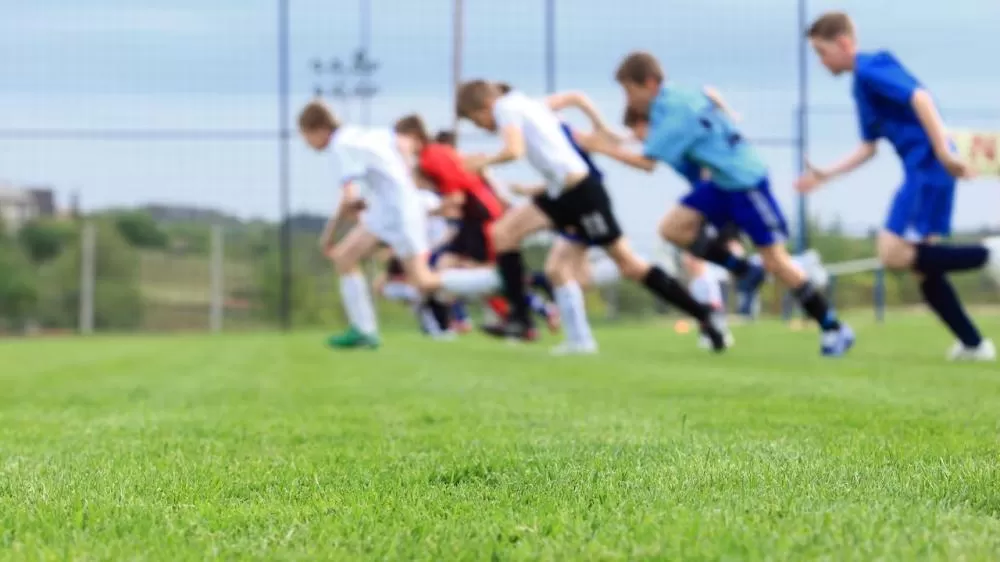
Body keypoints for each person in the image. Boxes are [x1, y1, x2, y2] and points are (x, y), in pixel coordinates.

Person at [601, 52, 854, 356]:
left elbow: (645, 162)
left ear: (650, 83)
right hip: (720, 183)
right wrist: (726, 113)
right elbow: (709, 93)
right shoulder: (680, 97)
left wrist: (596, 146)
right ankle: (746, 270)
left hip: (745, 182)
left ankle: (833, 327)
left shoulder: (674, 110)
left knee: (777, 261)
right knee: (673, 229)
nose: (629, 99)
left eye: (630, 91)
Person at [454, 80, 730, 352]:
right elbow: (576, 95)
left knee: (629, 265)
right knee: (508, 237)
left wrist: (482, 162)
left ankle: (705, 313)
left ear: (484, 106)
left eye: (478, 121)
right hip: (559, 192)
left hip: (582, 195)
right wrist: (603, 127)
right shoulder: (527, 104)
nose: (483, 128)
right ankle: (532, 323)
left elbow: (514, 150)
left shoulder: (505, 108)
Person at [796, 12, 1000, 361]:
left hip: (928, 168)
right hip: (923, 169)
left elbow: (920, 98)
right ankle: (973, 345)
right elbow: (868, 147)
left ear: (844, 43)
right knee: (924, 266)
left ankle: (990, 254)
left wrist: (942, 151)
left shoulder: (871, 67)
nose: (820, 61)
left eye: (821, 51)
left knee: (892, 251)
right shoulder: (860, 85)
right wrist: (827, 174)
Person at [301, 100, 455, 349]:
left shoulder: (340, 145)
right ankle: (364, 331)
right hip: (390, 208)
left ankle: (497, 280)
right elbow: (404, 145)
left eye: (306, 137)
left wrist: (329, 233)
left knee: (423, 280)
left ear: (317, 129)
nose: (308, 144)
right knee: (345, 258)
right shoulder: (363, 133)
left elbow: (348, 196)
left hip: (399, 212)